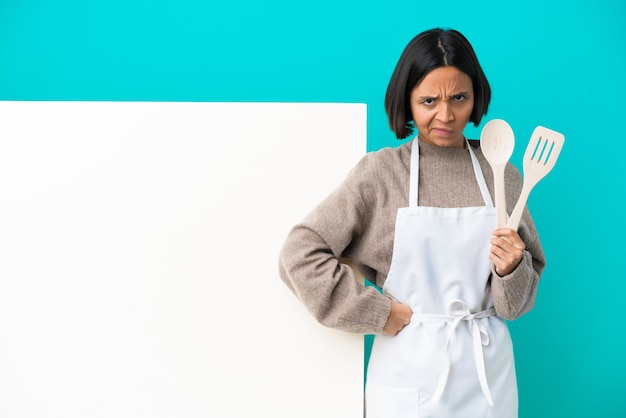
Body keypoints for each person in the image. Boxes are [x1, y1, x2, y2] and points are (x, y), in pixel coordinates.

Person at [278, 28, 545, 418]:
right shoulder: (382, 174)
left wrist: (512, 269)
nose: (446, 115)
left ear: (476, 96)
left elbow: (513, 307)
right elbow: (299, 254)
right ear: (406, 100)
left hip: (487, 373)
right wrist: (377, 314)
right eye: (428, 100)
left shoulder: (501, 174)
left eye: (459, 98)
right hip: (409, 373)